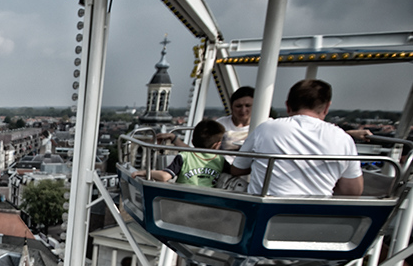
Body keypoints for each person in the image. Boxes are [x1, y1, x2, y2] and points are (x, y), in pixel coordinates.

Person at [231, 79, 363, 197]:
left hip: (266, 214)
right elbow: (352, 191)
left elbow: (237, 169)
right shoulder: (343, 138)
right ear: (327, 107)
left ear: (288, 105)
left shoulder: (266, 129)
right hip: (317, 216)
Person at [132, 119, 228, 187]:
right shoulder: (220, 160)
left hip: (183, 202)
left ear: (192, 141)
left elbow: (165, 176)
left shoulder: (184, 156)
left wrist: (144, 172)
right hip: (210, 204)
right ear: (217, 145)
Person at [217, 86, 255, 151]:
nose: (243, 110)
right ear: (231, 107)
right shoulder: (220, 124)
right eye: (238, 106)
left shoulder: (265, 124)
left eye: (247, 106)